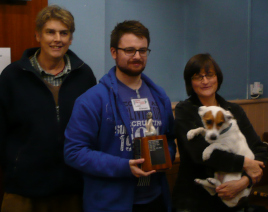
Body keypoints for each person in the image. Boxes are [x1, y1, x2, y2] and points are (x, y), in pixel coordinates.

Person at [64, 20, 176, 212]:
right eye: (129, 50)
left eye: (143, 50)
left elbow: (170, 141)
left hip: (155, 199)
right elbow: (74, 152)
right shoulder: (92, 100)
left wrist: (166, 158)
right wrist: (124, 167)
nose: (137, 56)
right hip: (111, 203)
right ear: (114, 52)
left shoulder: (160, 97)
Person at [0, 5, 96, 212]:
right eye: (50, 32)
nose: (57, 39)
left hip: (72, 188)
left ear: (70, 39)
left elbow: (93, 129)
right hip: (23, 189)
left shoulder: (85, 76)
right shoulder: (12, 77)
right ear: (37, 35)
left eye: (64, 33)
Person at [171, 53, 268, 212]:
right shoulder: (185, 110)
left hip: (233, 200)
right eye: (197, 76)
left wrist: (245, 181)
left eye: (209, 75)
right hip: (194, 201)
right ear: (190, 82)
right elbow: (201, 153)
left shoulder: (233, 111)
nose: (205, 81)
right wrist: (246, 163)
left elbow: (260, 150)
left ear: (218, 77)